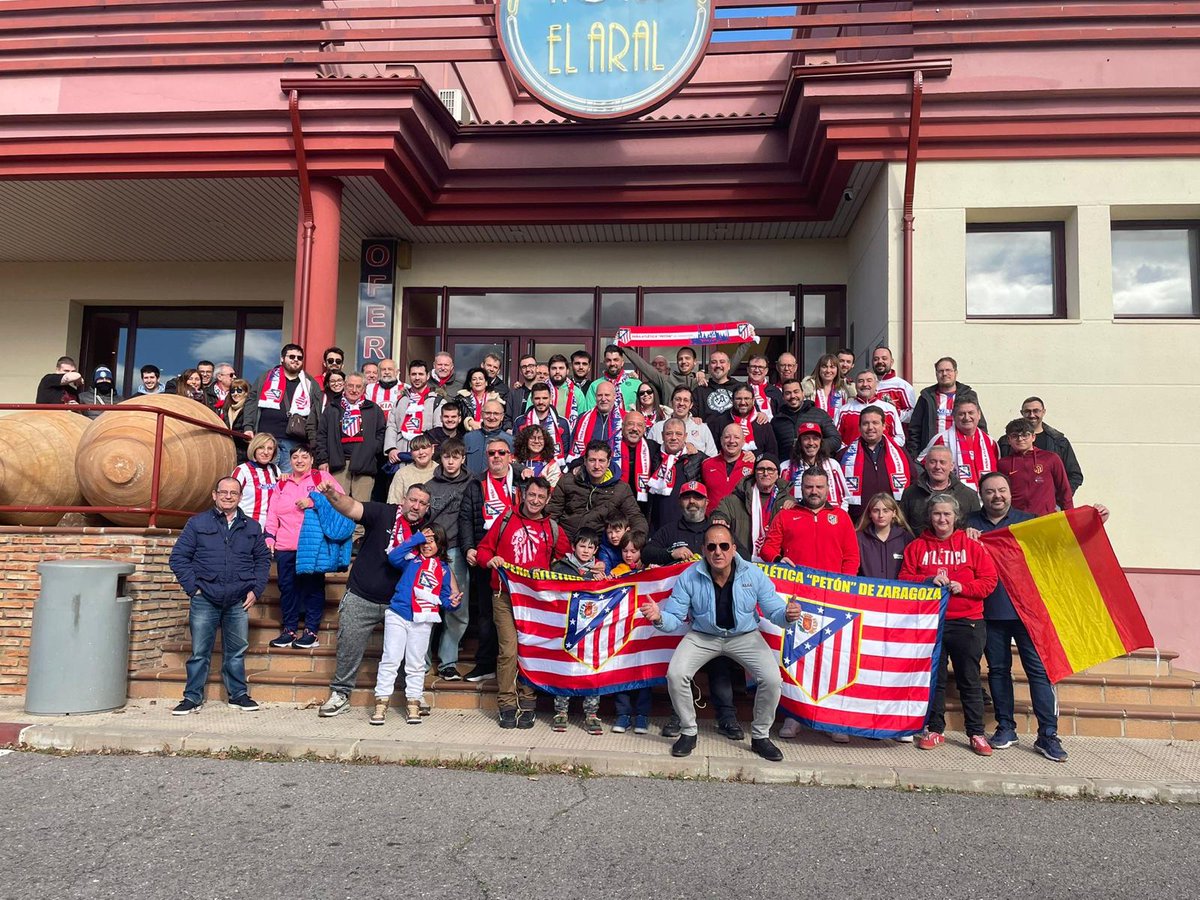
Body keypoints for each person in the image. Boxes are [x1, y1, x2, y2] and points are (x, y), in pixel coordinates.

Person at [641, 523, 800, 761]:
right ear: (704, 549)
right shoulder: (689, 576)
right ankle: (688, 731)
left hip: (744, 636)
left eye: (724, 546)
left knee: (772, 679)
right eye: (712, 546)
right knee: (676, 674)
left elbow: (774, 610)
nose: (718, 552)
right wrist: (659, 617)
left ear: (734, 548)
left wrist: (787, 615)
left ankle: (760, 737)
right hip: (703, 635)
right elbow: (674, 618)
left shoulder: (754, 574)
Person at [962, 472, 1061, 761]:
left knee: (1039, 673)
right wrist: (967, 540)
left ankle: (1048, 735)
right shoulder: (969, 523)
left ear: (1010, 492)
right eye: (990, 492)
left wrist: (1094, 520)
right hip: (990, 612)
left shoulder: (1027, 521)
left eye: (1002, 490)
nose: (997, 496)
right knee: (998, 671)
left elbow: (1057, 544)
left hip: (1027, 611)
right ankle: (1006, 727)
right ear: (982, 495)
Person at [315, 481, 432, 717]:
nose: (416, 506)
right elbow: (351, 507)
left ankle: (413, 695)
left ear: (427, 508)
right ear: (404, 500)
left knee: (410, 651)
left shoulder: (428, 530)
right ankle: (341, 693)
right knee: (349, 645)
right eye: (413, 499)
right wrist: (332, 495)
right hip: (362, 594)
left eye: (422, 503)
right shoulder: (383, 513)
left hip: (400, 603)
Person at [900, 493, 998, 756]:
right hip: (932, 622)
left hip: (968, 622)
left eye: (947, 514)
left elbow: (989, 581)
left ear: (956, 517)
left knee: (969, 678)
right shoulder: (917, 546)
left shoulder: (972, 545)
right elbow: (904, 578)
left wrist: (964, 587)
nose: (942, 519)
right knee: (936, 679)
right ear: (929, 516)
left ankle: (976, 733)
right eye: (936, 514)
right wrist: (926, 579)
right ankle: (935, 729)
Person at [642, 481, 742, 739]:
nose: (692, 503)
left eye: (697, 498)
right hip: (680, 613)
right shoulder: (670, 530)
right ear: (680, 502)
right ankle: (679, 716)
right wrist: (670, 554)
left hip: (715, 612)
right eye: (687, 498)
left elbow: (743, 556)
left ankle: (727, 718)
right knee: (681, 669)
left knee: (720, 666)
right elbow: (647, 552)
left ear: (707, 502)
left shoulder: (718, 531)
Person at [475, 477, 572, 729]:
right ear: (523, 495)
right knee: (509, 650)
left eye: (541, 497)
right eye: (532, 495)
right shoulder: (506, 520)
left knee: (530, 650)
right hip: (504, 596)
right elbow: (484, 549)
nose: (535, 501)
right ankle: (507, 703)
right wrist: (491, 560)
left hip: (535, 602)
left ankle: (528, 702)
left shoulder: (551, 528)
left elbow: (568, 560)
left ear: (547, 499)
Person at [168, 476, 270, 715]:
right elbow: (178, 558)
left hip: (237, 600)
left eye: (233, 493)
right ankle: (192, 697)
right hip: (205, 598)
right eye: (223, 492)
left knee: (236, 652)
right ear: (214, 495)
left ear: (240, 497)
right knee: (199, 653)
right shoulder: (197, 523)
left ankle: (238, 695)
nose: (228, 496)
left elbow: (263, 560)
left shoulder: (252, 527)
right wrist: (194, 588)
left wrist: (256, 590)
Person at [371, 525, 462, 726]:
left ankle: (413, 702)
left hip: (424, 619)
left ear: (441, 544)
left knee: (415, 663)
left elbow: (445, 599)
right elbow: (394, 556)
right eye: (424, 540)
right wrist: (415, 538)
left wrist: (454, 603)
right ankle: (381, 703)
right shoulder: (410, 560)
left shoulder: (444, 570)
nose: (427, 545)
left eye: (432, 541)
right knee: (390, 659)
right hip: (398, 614)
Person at [265, 446, 346, 650]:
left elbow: (341, 500)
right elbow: (272, 512)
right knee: (287, 588)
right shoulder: (282, 484)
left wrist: (313, 501)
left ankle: (311, 631)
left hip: (312, 544)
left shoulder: (321, 477)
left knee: (312, 587)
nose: (299, 460)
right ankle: (289, 630)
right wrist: (269, 537)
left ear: (311, 460)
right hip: (285, 545)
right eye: (295, 457)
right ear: (289, 461)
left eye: (304, 456)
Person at [459, 437, 520, 683]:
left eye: (501, 452)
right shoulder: (476, 485)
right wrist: (468, 548)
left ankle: (519, 668)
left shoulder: (522, 483)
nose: (496, 457)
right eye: (492, 453)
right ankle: (486, 664)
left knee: (517, 613)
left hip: (518, 557)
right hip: (487, 555)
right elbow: (465, 518)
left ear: (510, 456)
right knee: (486, 612)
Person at [548, 527, 608, 733]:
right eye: (582, 546)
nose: (585, 550)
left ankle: (591, 714)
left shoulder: (600, 573)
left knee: (592, 669)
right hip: (566, 628)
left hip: (591, 631)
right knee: (565, 669)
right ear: (573, 547)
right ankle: (561, 712)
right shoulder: (559, 567)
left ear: (596, 550)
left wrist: (604, 581)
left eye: (590, 547)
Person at [422, 439, 473, 680]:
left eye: (456, 456)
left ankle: (448, 662)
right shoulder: (429, 486)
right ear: (439, 458)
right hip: (431, 552)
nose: (451, 461)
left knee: (457, 609)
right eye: (446, 456)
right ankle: (419, 661)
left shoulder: (473, 483)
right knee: (426, 606)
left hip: (458, 552)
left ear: (463, 458)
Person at [760, 468, 859, 574]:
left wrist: (846, 582)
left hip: (831, 586)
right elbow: (768, 548)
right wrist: (778, 561)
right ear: (801, 488)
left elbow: (852, 556)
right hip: (796, 584)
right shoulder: (785, 515)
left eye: (819, 487)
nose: (814, 491)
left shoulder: (842, 517)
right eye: (809, 487)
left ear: (827, 489)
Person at [547, 439, 648, 540]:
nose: (596, 466)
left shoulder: (621, 489)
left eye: (601, 461)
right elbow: (552, 513)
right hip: (566, 541)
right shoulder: (567, 480)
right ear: (585, 461)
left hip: (600, 545)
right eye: (592, 460)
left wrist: (635, 540)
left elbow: (635, 517)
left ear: (608, 462)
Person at [244, 344, 320, 473]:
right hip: (266, 439)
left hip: (294, 443)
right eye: (291, 356)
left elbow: (315, 412)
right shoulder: (267, 377)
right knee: (265, 480)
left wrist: (313, 441)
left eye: (299, 358)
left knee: (289, 483)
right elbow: (251, 401)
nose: (296, 360)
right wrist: (248, 427)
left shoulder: (309, 383)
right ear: (282, 359)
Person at [315, 372, 386, 503]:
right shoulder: (332, 408)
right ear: (345, 386)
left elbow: (381, 433)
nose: (354, 390)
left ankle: (360, 526)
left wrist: (372, 449)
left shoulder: (373, 409)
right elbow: (321, 435)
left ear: (364, 388)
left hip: (365, 465)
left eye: (358, 387)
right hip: (338, 465)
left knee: (362, 508)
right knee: (337, 506)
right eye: (351, 386)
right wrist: (323, 460)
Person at [839, 406, 912, 523]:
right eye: (865, 423)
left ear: (884, 426)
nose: (870, 427)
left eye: (875, 423)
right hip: (858, 522)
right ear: (859, 427)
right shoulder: (844, 456)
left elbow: (913, 484)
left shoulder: (901, 453)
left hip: (892, 523)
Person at [714, 453, 793, 561]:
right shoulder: (736, 499)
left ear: (778, 474)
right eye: (761, 469)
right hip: (742, 562)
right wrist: (719, 518)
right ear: (754, 473)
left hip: (777, 565)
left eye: (770, 469)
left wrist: (795, 507)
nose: (765, 473)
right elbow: (720, 512)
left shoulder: (788, 501)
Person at [917, 393, 997, 494]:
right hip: (953, 500)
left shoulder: (990, 442)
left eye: (971, 413)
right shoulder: (942, 439)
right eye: (961, 414)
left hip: (986, 501)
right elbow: (919, 465)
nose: (967, 417)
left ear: (979, 414)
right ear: (954, 416)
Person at [1000, 396, 1084, 492]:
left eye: (1036, 411)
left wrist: (1058, 499)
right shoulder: (1005, 442)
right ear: (1021, 413)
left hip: (1050, 504)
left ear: (1043, 412)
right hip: (1016, 503)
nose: (1032, 415)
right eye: (1027, 411)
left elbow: (1075, 475)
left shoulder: (1059, 441)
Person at [908, 356, 986, 455]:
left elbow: (980, 425)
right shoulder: (926, 397)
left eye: (948, 370)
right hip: (933, 453)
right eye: (940, 371)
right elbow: (915, 429)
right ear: (936, 374)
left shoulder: (969, 395)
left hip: (963, 451)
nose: (944, 374)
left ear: (956, 373)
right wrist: (914, 455)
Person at [996, 417, 1073, 516]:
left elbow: (1064, 490)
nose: (1020, 439)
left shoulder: (1050, 458)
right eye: (1015, 436)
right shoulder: (1003, 464)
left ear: (1033, 437)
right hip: (1016, 521)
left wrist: (1070, 516)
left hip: (1045, 518)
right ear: (1009, 440)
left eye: (1025, 435)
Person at [900, 444, 981, 534]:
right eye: (933, 462)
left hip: (957, 547)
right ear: (926, 464)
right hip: (919, 546)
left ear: (951, 466)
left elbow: (976, 529)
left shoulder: (968, 495)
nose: (938, 467)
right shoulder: (911, 493)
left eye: (942, 462)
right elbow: (902, 527)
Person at [645, 417, 704, 527]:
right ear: (662, 435)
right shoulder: (652, 454)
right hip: (655, 527)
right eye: (669, 433)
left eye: (678, 434)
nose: (673, 438)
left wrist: (746, 455)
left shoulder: (697, 459)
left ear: (685, 437)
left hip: (685, 527)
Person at [782, 421, 849, 510]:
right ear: (799, 442)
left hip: (830, 519)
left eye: (815, 438)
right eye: (806, 438)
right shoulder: (785, 468)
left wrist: (839, 516)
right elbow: (778, 498)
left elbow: (845, 497)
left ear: (821, 442)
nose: (811, 443)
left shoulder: (833, 465)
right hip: (798, 518)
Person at [772, 377, 840, 461]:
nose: (793, 396)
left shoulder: (819, 414)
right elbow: (773, 448)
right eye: (788, 393)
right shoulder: (776, 420)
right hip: (788, 467)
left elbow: (836, 440)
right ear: (783, 397)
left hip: (817, 467)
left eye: (796, 392)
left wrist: (812, 446)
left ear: (803, 393)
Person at [834, 370, 904, 448]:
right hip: (851, 458)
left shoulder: (889, 409)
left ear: (876, 384)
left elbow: (900, 438)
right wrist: (849, 452)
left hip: (881, 458)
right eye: (860, 381)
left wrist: (881, 450)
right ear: (856, 385)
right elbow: (834, 438)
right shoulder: (843, 411)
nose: (865, 384)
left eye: (869, 381)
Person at [706, 385, 778, 457]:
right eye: (738, 399)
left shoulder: (763, 423)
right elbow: (712, 452)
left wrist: (756, 457)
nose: (743, 402)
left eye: (747, 398)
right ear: (732, 400)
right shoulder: (719, 422)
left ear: (753, 401)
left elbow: (772, 453)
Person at [620, 344, 704, 405]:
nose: (684, 361)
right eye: (680, 359)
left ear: (695, 361)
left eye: (687, 358)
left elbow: (715, 376)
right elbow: (643, 366)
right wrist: (624, 347)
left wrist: (703, 373)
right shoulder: (667, 380)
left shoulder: (700, 380)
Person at [856, 493, 914, 580]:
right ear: (870, 514)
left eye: (886, 511)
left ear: (894, 513)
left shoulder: (906, 538)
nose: (881, 515)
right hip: (867, 592)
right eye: (876, 511)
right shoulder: (859, 539)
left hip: (897, 592)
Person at [648, 385, 717, 458]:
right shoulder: (657, 428)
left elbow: (712, 458)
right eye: (678, 399)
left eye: (686, 400)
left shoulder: (702, 428)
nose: (681, 403)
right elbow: (648, 455)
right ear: (671, 402)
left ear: (691, 405)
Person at [566, 381, 622, 468]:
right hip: (588, 470)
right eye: (600, 395)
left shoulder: (625, 420)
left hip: (616, 470)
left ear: (614, 397)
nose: (603, 399)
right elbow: (573, 447)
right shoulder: (582, 419)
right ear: (595, 397)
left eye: (607, 395)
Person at [702, 423, 756, 507]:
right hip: (713, 518)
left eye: (736, 437)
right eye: (727, 437)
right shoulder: (707, 464)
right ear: (721, 440)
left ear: (743, 441)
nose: (731, 441)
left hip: (742, 518)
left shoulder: (753, 464)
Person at [233, 432, 281, 529]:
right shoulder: (242, 470)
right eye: (261, 447)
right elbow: (230, 498)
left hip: (269, 530)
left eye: (270, 448)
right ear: (254, 448)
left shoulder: (275, 470)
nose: (266, 452)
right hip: (245, 527)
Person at [617, 410, 661, 516]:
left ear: (644, 429)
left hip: (642, 508)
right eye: (630, 424)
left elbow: (672, 451)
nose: (635, 429)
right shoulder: (612, 445)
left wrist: (688, 446)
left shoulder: (653, 448)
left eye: (639, 425)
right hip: (616, 504)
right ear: (622, 426)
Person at [512, 382, 568, 455]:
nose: (541, 402)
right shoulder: (520, 422)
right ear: (532, 399)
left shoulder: (562, 423)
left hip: (554, 464)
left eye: (545, 398)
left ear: (550, 398)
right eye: (537, 398)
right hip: (527, 464)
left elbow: (566, 451)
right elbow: (516, 449)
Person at [583, 344, 641, 413]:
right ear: (604, 362)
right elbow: (590, 413)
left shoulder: (636, 384)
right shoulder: (595, 385)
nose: (612, 363)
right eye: (608, 360)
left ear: (622, 362)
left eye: (616, 360)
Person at [463, 400, 513, 476]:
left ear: (502, 417)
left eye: (496, 413)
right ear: (482, 414)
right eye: (488, 413)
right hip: (471, 484)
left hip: (497, 485)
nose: (491, 417)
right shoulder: (468, 438)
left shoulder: (510, 440)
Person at [871, 346, 916, 423]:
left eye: (884, 358)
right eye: (876, 359)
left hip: (895, 434)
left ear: (891, 362)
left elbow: (914, 415)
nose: (880, 361)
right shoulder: (869, 385)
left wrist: (894, 412)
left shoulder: (902, 386)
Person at [387, 433, 437, 502]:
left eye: (424, 448)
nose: (421, 452)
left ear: (433, 449)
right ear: (411, 454)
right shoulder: (402, 474)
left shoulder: (441, 470)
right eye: (416, 449)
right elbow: (393, 502)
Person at [695, 349, 743, 419]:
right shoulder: (699, 391)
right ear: (709, 366)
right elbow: (690, 414)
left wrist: (760, 414)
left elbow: (751, 410)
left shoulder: (741, 388)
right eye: (714, 362)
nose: (718, 365)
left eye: (722, 362)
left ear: (729, 366)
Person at [513, 424, 564, 490]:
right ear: (525, 440)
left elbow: (552, 491)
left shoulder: (551, 465)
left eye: (540, 438)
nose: (536, 441)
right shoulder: (514, 459)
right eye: (532, 438)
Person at [801, 353, 849, 419]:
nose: (828, 370)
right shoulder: (809, 389)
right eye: (824, 367)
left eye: (832, 367)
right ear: (819, 369)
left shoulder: (844, 390)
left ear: (837, 370)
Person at [221, 377, 254, 463]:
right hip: (229, 451)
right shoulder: (227, 409)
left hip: (244, 454)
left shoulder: (250, 410)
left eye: (239, 391)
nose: (235, 394)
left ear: (246, 393)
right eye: (232, 391)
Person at [744, 355, 782, 421]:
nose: (756, 370)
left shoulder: (775, 391)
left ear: (766, 371)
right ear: (747, 369)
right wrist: (754, 414)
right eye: (753, 366)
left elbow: (781, 415)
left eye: (760, 367)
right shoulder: (740, 390)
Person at [547, 354, 583, 424]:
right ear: (549, 370)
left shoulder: (577, 393)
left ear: (567, 371)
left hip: (570, 433)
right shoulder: (539, 391)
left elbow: (583, 420)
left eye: (561, 368)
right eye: (554, 368)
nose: (557, 371)